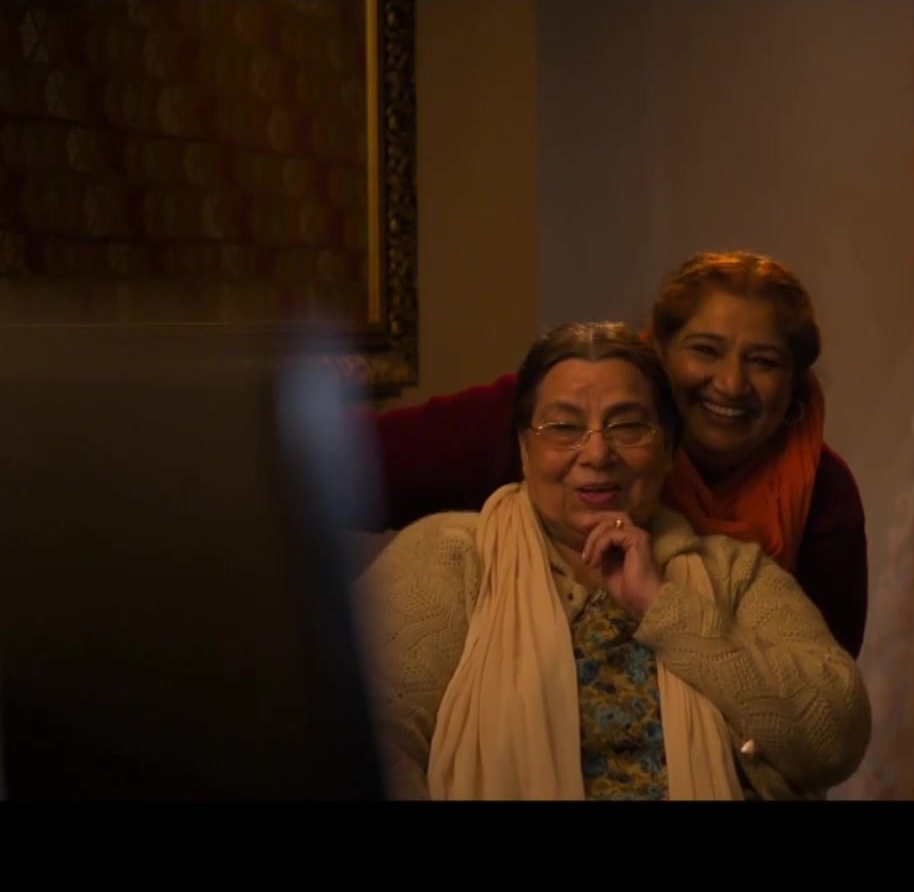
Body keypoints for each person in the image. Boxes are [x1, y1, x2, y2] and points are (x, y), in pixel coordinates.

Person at [353, 321, 871, 801]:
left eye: (628, 426)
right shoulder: (449, 558)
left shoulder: (734, 573)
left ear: (668, 450)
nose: (598, 454)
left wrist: (663, 607)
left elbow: (837, 736)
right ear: (524, 449)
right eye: (563, 427)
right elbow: (356, 740)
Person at [368, 251, 869, 657]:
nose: (731, 384)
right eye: (705, 350)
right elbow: (353, 467)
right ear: (659, 351)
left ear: (794, 381)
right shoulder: (547, 413)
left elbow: (822, 699)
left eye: (763, 361)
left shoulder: (823, 494)